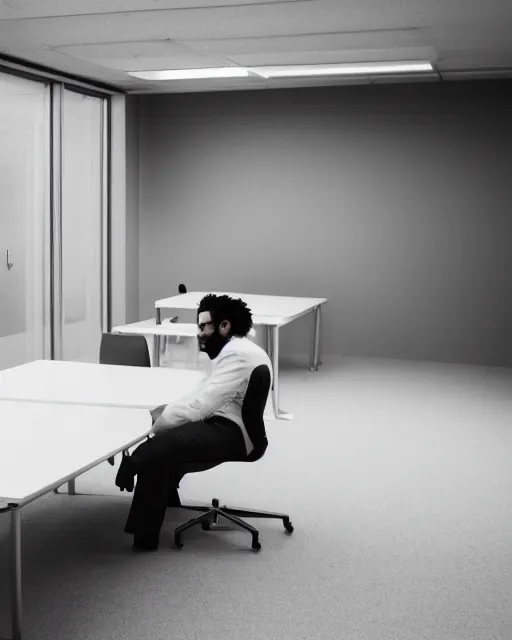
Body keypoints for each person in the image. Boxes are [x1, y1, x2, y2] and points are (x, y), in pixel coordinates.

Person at [115, 293, 273, 551]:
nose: (198, 334)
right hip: (231, 424)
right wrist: (170, 412)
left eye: (203, 327)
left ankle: (143, 525)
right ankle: (153, 521)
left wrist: (159, 419)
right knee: (164, 446)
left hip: (235, 433)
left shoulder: (236, 353)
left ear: (224, 326)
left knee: (157, 445)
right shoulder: (242, 348)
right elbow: (209, 395)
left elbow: (201, 407)